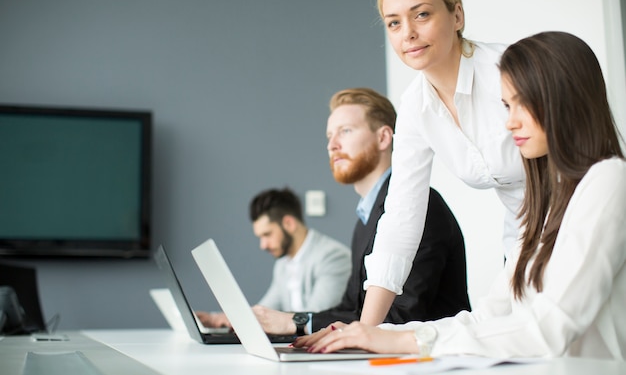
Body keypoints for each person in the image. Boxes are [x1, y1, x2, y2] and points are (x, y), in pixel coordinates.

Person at [295, 31, 626, 360]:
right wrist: (373, 334)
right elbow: (490, 317)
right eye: (506, 106)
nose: (510, 123)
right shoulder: (544, 203)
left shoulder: (608, 181)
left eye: (521, 103)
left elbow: (549, 329)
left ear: (565, 98)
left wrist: (405, 341)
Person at [359, 0, 526, 327]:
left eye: (421, 15)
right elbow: (401, 218)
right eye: (394, 23)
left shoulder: (512, 69)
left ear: (457, 15)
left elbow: (582, 162)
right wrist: (365, 330)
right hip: (519, 244)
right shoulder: (416, 108)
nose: (408, 34)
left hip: (580, 225)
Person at [251, 88, 470, 336]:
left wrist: (297, 324)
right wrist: (292, 320)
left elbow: (400, 317)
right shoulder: (365, 219)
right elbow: (352, 310)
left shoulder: (419, 206)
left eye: (345, 131)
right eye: (329, 136)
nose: (332, 145)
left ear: (383, 138)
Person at [196, 187, 351, 328]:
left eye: (267, 234)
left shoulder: (333, 257)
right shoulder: (283, 264)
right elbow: (266, 309)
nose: (263, 245)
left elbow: (316, 318)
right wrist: (219, 318)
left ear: (289, 223)